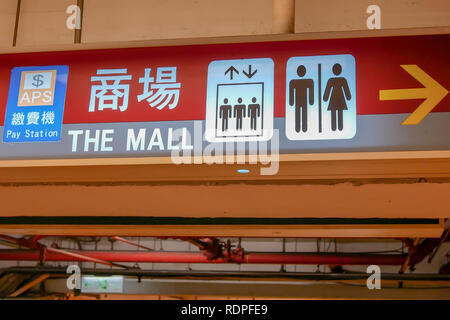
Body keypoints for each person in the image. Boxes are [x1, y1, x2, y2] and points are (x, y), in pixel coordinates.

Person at [323, 63, 351, 131]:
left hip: (336, 99)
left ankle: (336, 127)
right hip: (338, 99)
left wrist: (325, 98)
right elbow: (328, 89)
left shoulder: (334, 80)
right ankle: (335, 127)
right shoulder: (339, 80)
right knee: (337, 112)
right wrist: (348, 97)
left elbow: (346, 89)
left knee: (337, 113)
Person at [289, 65, 314, 132]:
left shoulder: (295, 82)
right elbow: (291, 92)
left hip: (301, 101)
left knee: (302, 113)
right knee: (300, 113)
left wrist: (291, 102)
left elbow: (311, 90)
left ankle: (303, 127)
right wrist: (311, 101)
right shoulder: (294, 82)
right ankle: (300, 127)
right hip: (301, 101)